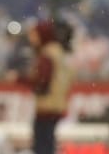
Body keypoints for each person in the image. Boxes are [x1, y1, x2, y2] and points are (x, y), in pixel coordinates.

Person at [28, 19, 74, 154]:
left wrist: (22, 79)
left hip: (46, 106)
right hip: (57, 104)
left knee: (42, 144)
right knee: (48, 141)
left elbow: (41, 81)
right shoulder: (59, 52)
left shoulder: (47, 54)